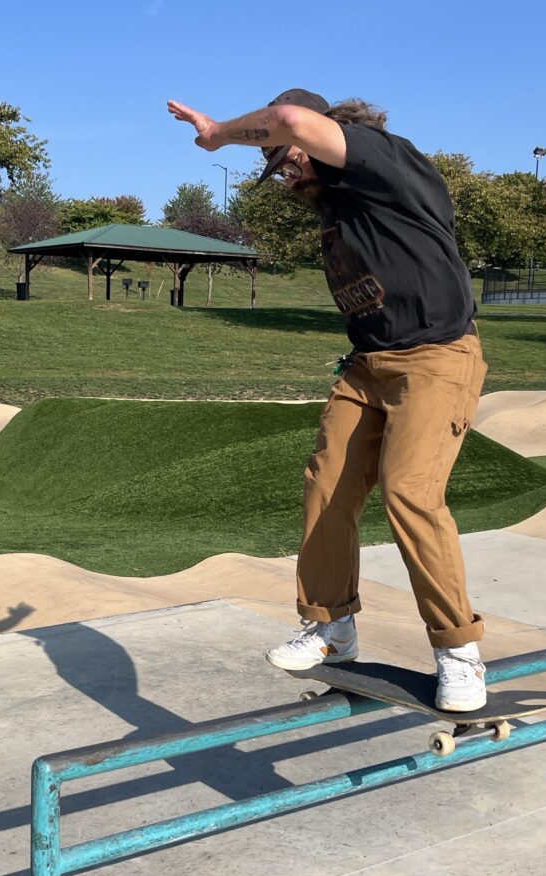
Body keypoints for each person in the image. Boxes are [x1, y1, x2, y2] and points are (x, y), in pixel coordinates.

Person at [168, 89, 488, 711]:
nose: (283, 173)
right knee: (326, 482)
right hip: (369, 364)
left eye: (283, 158)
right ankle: (332, 627)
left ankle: (459, 652)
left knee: (409, 492)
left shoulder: (383, 162)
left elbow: (289, 121)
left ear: (323, 134)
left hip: (437, 358)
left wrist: (217, 134)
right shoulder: (336, 206)